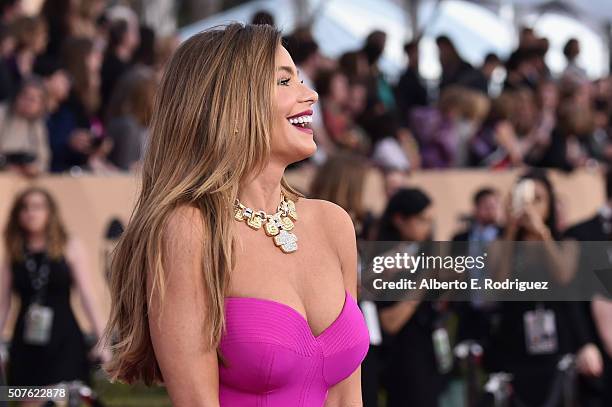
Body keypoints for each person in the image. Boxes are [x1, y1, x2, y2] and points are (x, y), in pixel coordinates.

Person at [101, 23, 369, 407]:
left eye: (301, 79)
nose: (309, 95)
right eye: (284, 81)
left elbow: (347, 396)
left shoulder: (333, 224)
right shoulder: (190, 231)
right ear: (231, 101)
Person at [0, 187, 110, 403]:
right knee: (30, 399)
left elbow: (87, 295)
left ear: (50, 212)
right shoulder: (14, 251)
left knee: (60, 398)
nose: (31, 213)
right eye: (25, 208)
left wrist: (103, 339)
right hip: (27, 342)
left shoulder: (69, 246)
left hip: (63, 339)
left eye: (38, 207)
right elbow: (3, 303)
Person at [376, 188, 449, 407]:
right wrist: (425, 281)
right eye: (422, 220)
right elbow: (389, 322)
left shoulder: (421, 253)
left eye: (430, 222)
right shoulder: (385, 261)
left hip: (429, 353)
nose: (428, 229)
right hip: (403, 360)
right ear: (399, 219)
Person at [0, 77, 50, 176]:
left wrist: (35, 168)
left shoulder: (37, 123)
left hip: (26, 177)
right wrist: (5, 166)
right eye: (25, 97)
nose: (29, 103)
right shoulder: (2, 114)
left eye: (34, 100)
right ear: (17, 96)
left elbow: (44, 157)